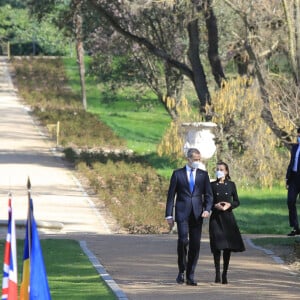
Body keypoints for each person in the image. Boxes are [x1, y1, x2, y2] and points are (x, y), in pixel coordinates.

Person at [165, 148, 213, 286]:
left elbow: (209, 195)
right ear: (189, 159)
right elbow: (170, 196)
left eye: (199, 159)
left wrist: (207, 209)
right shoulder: (177, 174)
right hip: (182, 213)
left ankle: (191, 274)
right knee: (183, 240)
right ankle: (182, 270)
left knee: (195, 244)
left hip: (197, 214)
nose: (198, 162)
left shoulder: (203, 175)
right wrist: (169, 214)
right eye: (195, 159)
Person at [209, 162, 245, 284]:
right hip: (215, 218)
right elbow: (207, 201)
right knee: (217, 246)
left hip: (228, 217)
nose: (219, 171)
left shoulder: (231, 185)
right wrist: (215, 205)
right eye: (217, 169)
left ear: (226, 171)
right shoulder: (211, 185)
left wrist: (230, 205)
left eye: (222, 169)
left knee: (227, 247)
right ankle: (217, 273)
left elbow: (237, 201)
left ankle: (225, 273)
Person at [285, 127, 300, 236]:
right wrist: (287, 178)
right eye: (298, 135)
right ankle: (295, 227)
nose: (299, 137)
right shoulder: (295, 147)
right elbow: (292, 163)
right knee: (290, 201)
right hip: (293, 178)